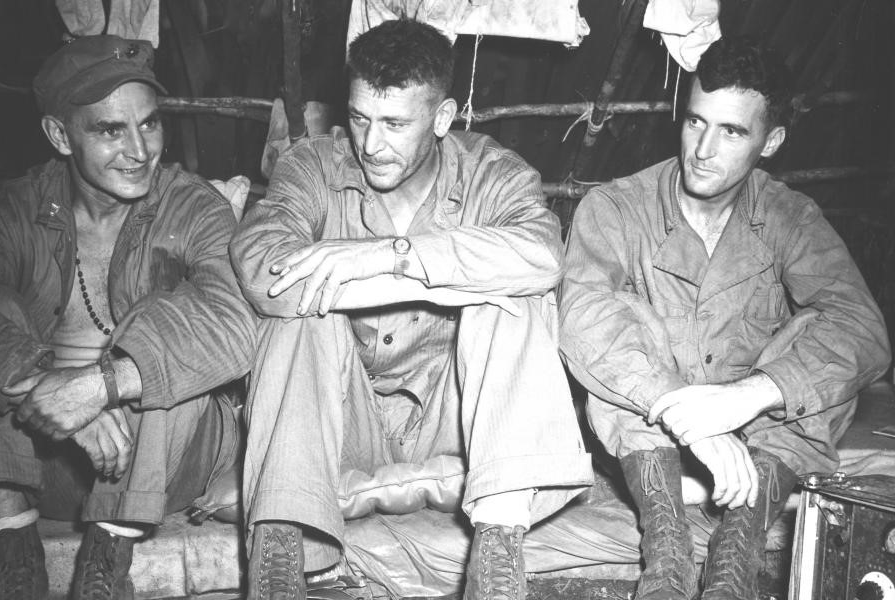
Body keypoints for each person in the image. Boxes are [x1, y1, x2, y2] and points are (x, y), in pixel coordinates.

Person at [230, 18, 593, 600]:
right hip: (341, 424)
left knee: (514, 302)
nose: (371, 145)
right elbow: (262, 267)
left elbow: (542, 254)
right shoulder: (314, 166)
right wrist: (445, 276)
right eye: (360, 118)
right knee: (301, 316)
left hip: (460, 426)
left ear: (443, 119)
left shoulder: (490, 173)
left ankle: (497, 563)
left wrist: (388, 258)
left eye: (396, 124)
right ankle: (278, 559)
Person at [0, 35, 256, 600]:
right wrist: (40, 383)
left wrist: (100, 385)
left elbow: (236, 327)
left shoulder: (189, 206)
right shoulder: (10, 210)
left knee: (169, 315)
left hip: (164, 467)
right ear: (60, 136)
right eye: (111, 131)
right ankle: (16, 558)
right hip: (33, 467)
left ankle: (105, 566)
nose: (140, 150)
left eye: (150, 124)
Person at [558, 36, 891, 600]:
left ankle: (734, 558)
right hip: (652, 433)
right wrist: (684, 411)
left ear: (771, 141)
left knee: (822, 347)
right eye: (695, 122)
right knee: (616, 335)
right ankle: (664, 558)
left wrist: (747, 397)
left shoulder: (789, 216)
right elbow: (580, 315)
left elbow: (864, 329)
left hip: (756, 439)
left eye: (732, 131)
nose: (703, 149)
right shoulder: (616, 206)